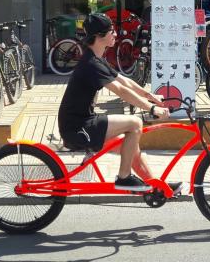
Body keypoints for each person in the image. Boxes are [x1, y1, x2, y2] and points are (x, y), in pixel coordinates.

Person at [57, 13, 181, 193]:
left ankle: (157, 189)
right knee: (135, 123)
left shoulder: (97, 58)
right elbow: (120, 91)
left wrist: (151, 96)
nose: (115, 34)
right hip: (77, 128)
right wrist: (152, 108)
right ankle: (124, 178)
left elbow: (124, 81)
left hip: (83, 121)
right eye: (111, 31)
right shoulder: (91, 64)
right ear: (99, 36)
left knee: (130, 148)